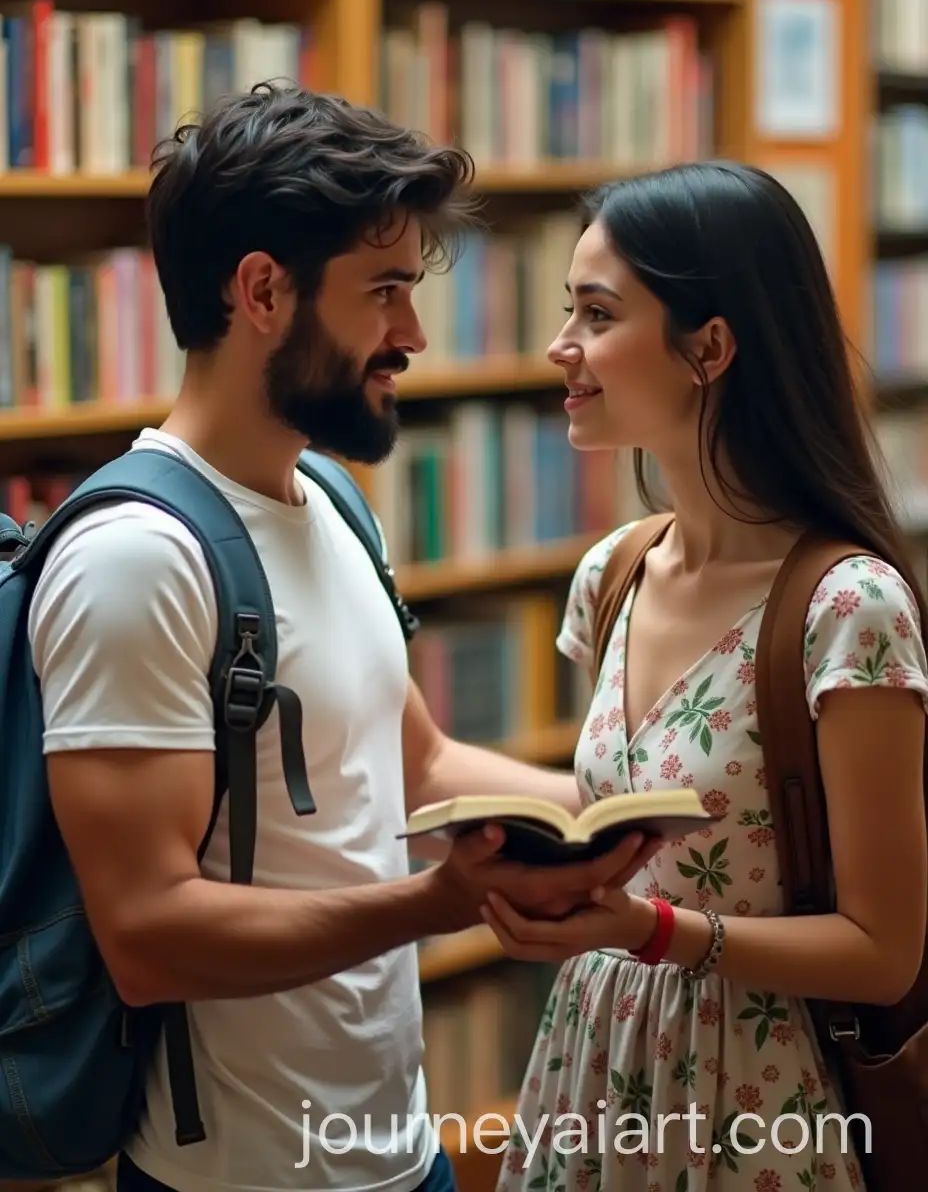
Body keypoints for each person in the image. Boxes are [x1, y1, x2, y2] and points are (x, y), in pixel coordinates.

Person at [25, 84, 655, 1192]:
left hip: (398, 1148)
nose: (410, 335)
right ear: (262, 290)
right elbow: (148, 933)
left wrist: (629, 812)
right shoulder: (136, 557)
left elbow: (415, 761)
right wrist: (435, 901)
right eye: (384, 293)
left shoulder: (328, 496)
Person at [482, 161, 928, 1192]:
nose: (562, 347)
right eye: (567, 311)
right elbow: (630, 817)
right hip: (593, 1066)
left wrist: (653, 930)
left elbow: (884, 948)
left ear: (710, 346)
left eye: (597, 312)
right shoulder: (613, 572)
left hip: (760, 1098)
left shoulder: (846, 609)